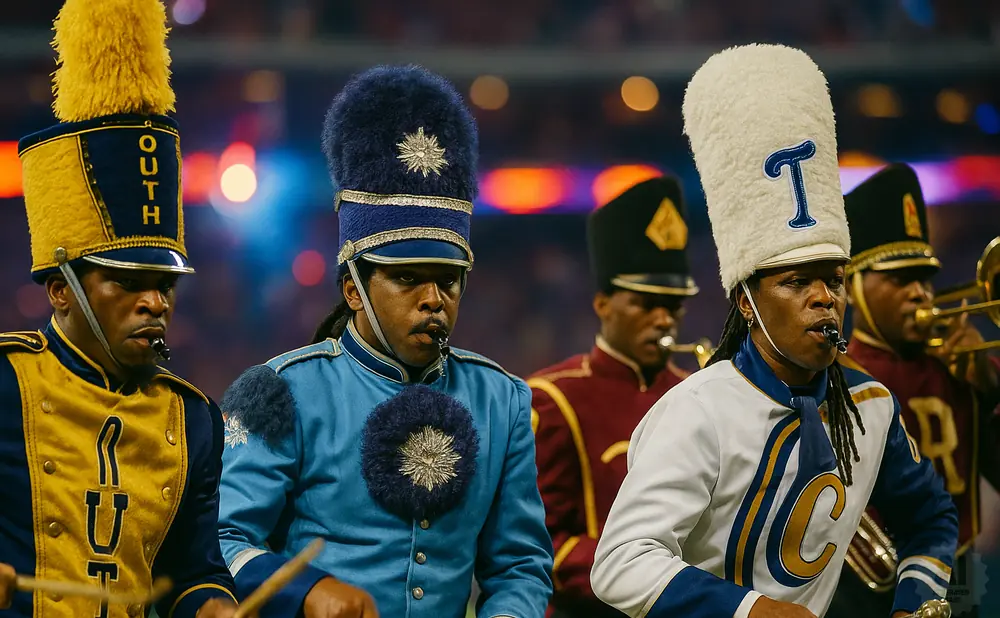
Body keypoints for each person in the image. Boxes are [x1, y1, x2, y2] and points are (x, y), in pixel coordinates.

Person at [589, 43, 958, 618]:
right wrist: (752, 611)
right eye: (796, 282)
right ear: (746, 301)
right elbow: (620, 563)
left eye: (832, 280)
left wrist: (915, 599)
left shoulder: (872, 406)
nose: (822, 298)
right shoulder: (698, 411)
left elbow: (931, 518)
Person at [216, 65, 554, 618]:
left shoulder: (504, 401)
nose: (433, 299)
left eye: (447, 281)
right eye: (405, 278)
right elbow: (224, 543)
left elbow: (519, 564)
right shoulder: (278, 392)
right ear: (353, 288)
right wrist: (308, 593)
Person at [0, 0, 238, 616]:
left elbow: (194, 570)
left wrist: (214, 606)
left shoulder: (194, 421)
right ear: (60, 290)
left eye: (165, 283)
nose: (156, 301)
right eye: (127, 283)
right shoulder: (4, 382)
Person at [825, 164, 1000, 618]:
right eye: (901, 280)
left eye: (925, 278)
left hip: (961, 581)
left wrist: (988, 394)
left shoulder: (964, 366)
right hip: (866, 595)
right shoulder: (830, 377)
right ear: (855, 284)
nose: (921, 294)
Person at [529, 176, 700, 618]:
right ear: (602, 303)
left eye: (674, 304)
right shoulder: (552, 399)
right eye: (645, 303)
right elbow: (542, 543)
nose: (664, 319)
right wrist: (656, 578)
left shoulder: (697, 394)